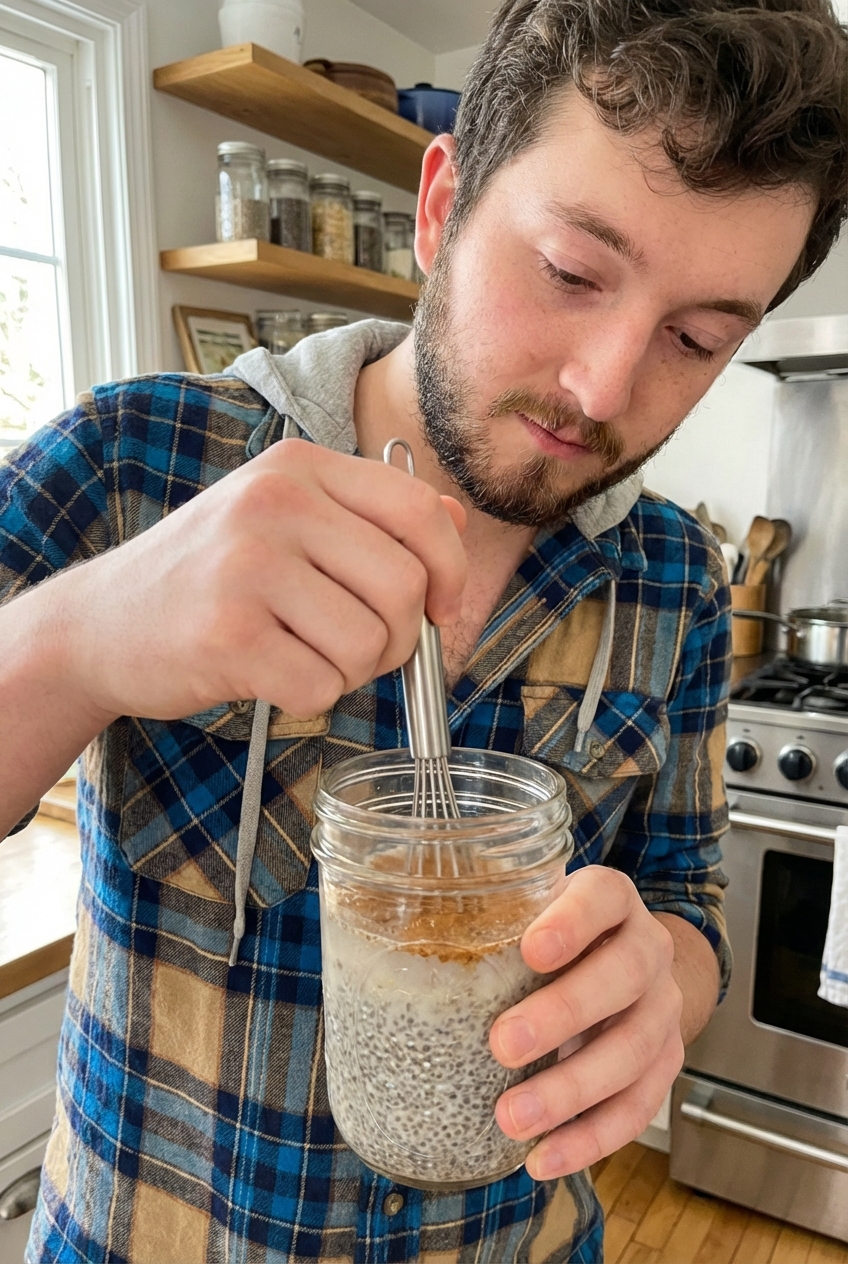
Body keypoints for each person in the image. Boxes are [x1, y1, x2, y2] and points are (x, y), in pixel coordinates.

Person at [1, 0, 846, 1258]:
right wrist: (74, 641)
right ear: (440, 204)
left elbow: (681, 894)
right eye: (568, 272)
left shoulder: (670, 573)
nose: (602, 390)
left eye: (695, 338)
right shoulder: (138, 463)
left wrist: (659, 983)